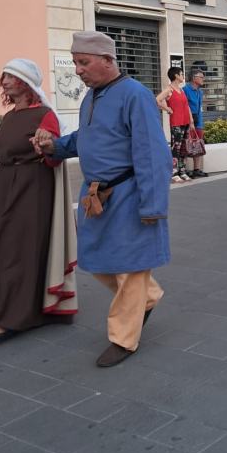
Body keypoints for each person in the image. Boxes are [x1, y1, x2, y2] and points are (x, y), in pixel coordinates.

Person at [33, 31, 172, 368]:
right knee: (98, 261)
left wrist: (152, 206)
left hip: (128, 195)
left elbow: (153, 153)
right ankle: (148, 298)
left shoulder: (135, 95)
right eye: (76, 62)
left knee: (131, 267)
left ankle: (124, 339)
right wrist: (55, 146)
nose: (78, 70)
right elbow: (88, 137)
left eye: (84, 62)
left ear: (108, 60)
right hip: (96, 197)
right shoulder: (91, 97)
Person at [0, 60, 77, 340]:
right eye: (5, 77)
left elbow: (55, 153)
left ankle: (14, 316)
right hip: (4, 187)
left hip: (32, 188)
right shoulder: (10, 116)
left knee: (20, 249)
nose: (5, 81)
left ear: (26, 83)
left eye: (11, 77)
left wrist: (47, 141)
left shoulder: (45, 115)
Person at [157, 67, 193, 183]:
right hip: (176, 122)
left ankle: (182, 171)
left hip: (186, 121)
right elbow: (157, 99)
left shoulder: (181, 90)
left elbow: (187, 106)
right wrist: (167, 108)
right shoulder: (169, 89)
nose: (183, 76)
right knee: (175, 148)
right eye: (182, 74)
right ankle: (174, 172)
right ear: (176, 76)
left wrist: (191, 120)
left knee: (183, 148)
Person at [183, 68, 208, 178]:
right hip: (188, 121)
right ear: (194, 78)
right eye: (201, 77)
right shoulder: (185, 90)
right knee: (186, 144)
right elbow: (184, 106)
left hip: (198, 121)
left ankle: (196, 169)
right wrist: (190, 121)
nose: (203, 79)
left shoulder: (200, 91)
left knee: (198, 143)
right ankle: (182, 170)